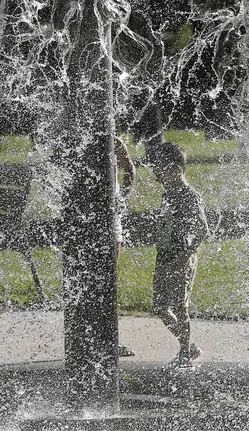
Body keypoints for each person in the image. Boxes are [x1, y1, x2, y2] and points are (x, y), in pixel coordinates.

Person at [148, 141, 209, 369]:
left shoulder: (189, 196)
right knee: (160, 307)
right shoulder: (168, 193)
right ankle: (188, 346)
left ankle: (185, 355)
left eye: (159, 169)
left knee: (179, 307)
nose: (155, 174)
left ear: (175, 169)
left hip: (181, 257)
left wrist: (188, 254)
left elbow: (203, 229)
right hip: (164, 255)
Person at [114, 135, 137, 357]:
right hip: (83, 217)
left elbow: (129, 169)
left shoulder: (114, 141)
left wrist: (122, 197)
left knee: (109, 282)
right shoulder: (73, 137)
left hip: (111, 219)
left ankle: (111, 339)